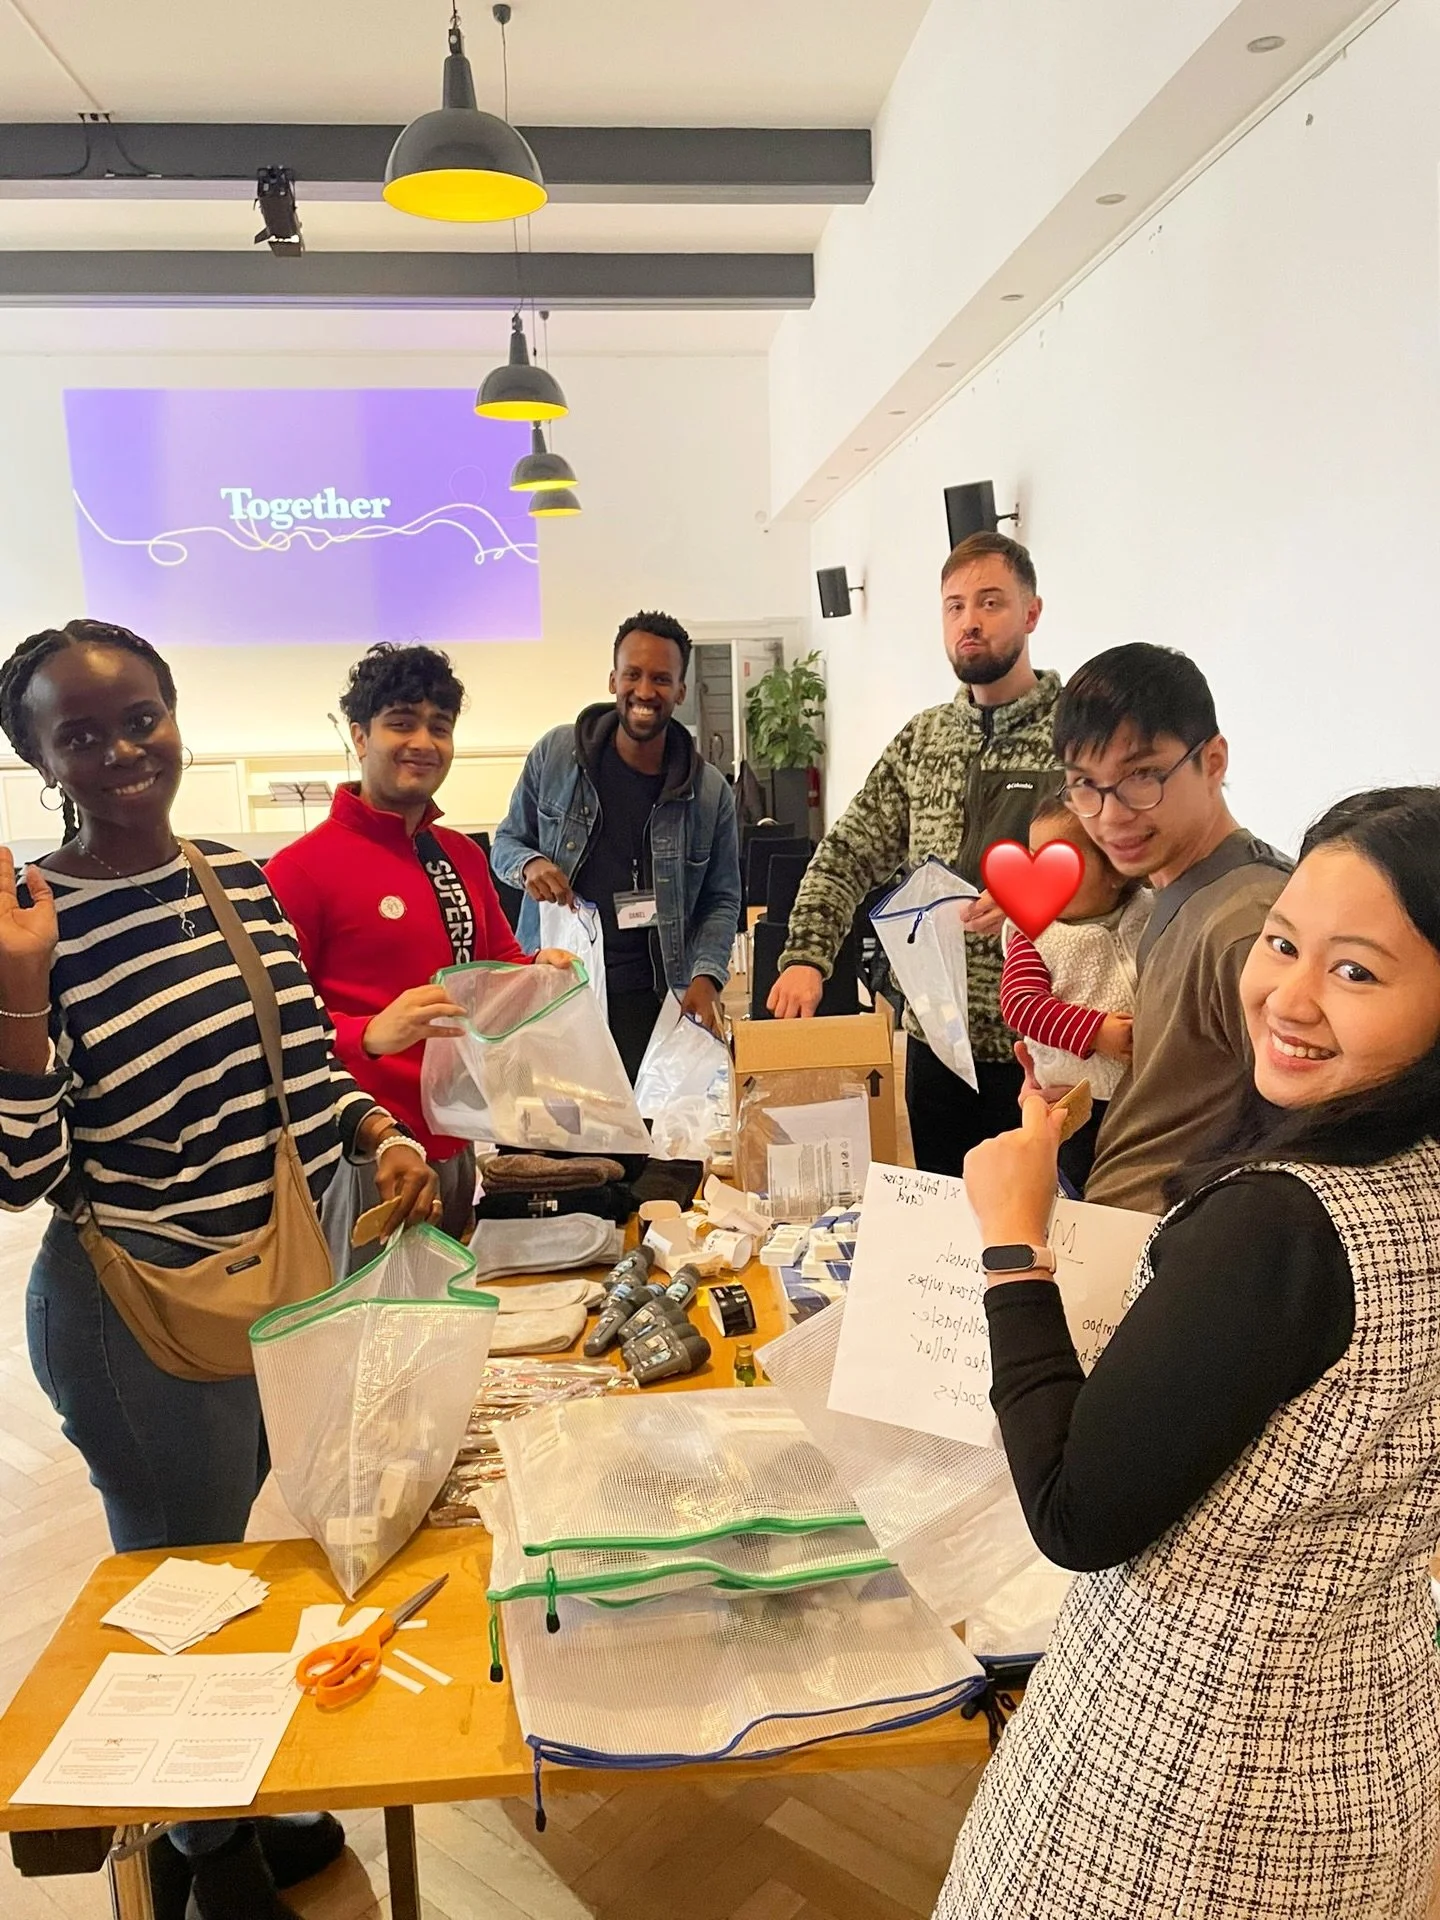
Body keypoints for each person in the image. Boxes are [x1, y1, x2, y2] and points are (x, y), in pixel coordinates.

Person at [936, 785, 1440, 1919]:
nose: (1289, 998)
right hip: (1371, 1743)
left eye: (1356, 971)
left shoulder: (1285, 1221)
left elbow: (1076, 1510)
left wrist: (1014, 1243)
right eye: (1283, 944)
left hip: (1187, 1787)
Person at [0, 621, 439, 1920]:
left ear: (176, 717)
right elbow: (19, 1172)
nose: (123, 751)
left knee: (239, 1564)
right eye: (82, 732)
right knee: (179, 1588)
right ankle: (206, 1849)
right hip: (132, 1321)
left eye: (141, 717)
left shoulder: (231, 882)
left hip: (266, 1292)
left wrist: (380, 1130)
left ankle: (243, 1796)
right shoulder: (29, 919)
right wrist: (19, 995)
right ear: (36, 756)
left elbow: (302, 1068)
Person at [265, 642, 574, 1272]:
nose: (423, 742)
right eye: (401, 722)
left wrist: (538, 973)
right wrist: (368, 1036)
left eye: (440, 727)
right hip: (364, 1151)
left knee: (442, 1328)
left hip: (457, 1139)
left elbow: (494, 964)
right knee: (360, 1340)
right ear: (359, 735)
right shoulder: (298, 871)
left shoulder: (461, 855)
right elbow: (272, 1029)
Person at [768, 532, 1061, 1176]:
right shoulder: (926, 739)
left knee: (1047, 1248)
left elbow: (1119, 870)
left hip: (1047, 1051)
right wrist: (809, 956)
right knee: (943, 1243)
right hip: (936, 1049)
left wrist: (1037, 899)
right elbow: (846, 852)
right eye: (955, 607)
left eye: (991, 603)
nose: (971, 623)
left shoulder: (1074, 735)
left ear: (1031, 612)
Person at [1028, 642, 1291, 1213]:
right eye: (1085, 786)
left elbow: (1295, 1137)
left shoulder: (1246, 926)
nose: (1111, 814)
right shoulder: (1168, 892)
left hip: (1167, 1244)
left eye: (1142, 775)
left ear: (1214, 760)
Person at [492, 611, 741, 1081]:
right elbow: (505, 842)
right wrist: (529, 864)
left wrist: (707, 977)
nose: (645, 692)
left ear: (681, 691)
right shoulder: (556, 756)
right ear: (613, 679)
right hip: (557, 994)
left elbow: (722, 898)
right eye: (633, 675)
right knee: (547, 1145)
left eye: (661, 679)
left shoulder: (708, 793)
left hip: (654, 1002)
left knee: (647, 1145)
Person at [998, 793, 1150, 1190]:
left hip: (1147, 1096)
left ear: (1116, 867)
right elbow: (1020, 1004)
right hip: (1078, 1102)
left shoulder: (1147, 913)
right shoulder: (1036, 935)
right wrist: (1096, 1031)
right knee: (1080, 1186)